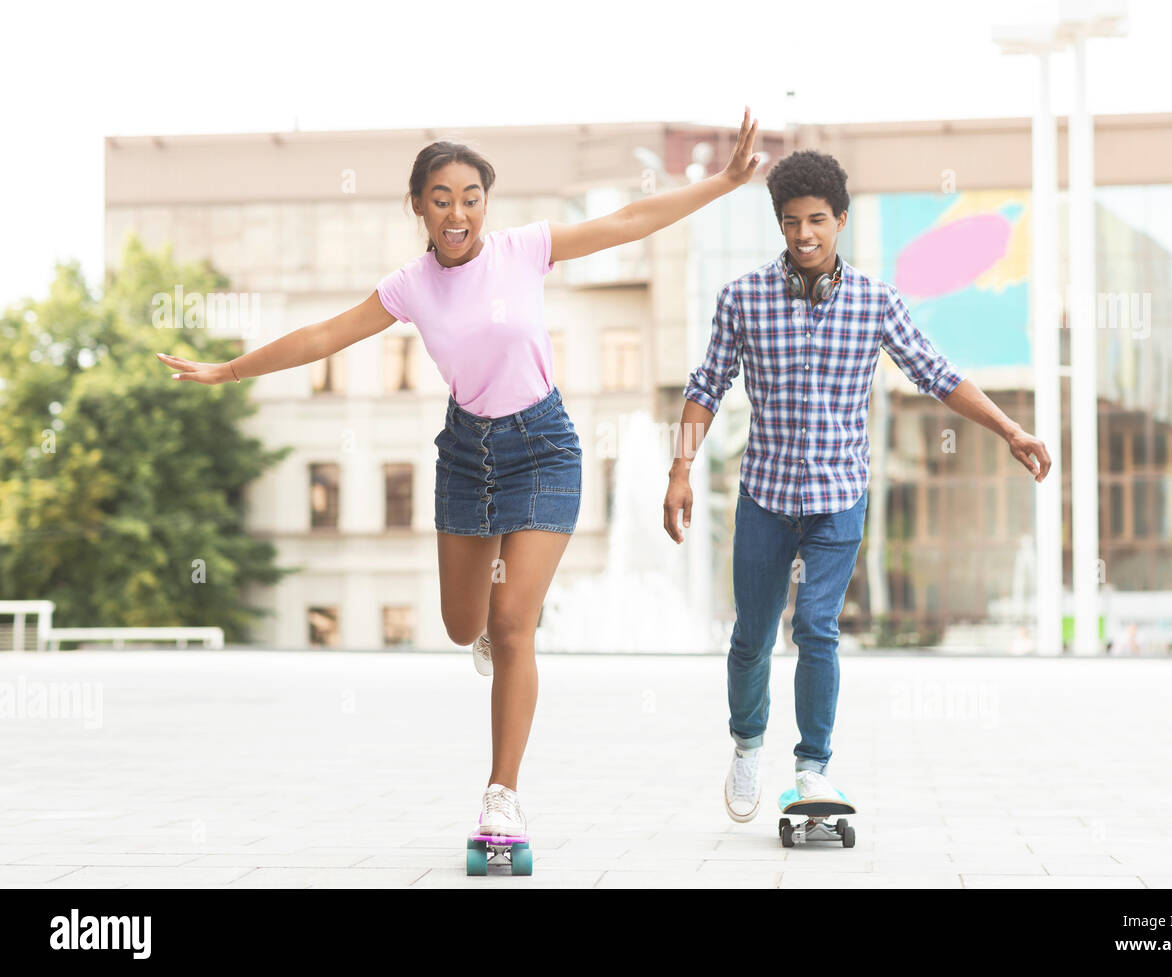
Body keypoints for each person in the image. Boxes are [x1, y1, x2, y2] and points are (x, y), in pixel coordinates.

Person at [157, 107, 762, 842]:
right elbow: (325, 333)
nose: (457, 211)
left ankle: (501, 792)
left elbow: (630, 220)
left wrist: (727, 182)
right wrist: (232, 367)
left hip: (544, 447)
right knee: (463, 624)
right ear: (418, 205)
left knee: (512, 626)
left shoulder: (524, 249)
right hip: (466, 457)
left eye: (471, 196)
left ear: (486, 204)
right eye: (441, 197)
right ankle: (485, 633)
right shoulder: (410, 286)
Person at [663, 149, 1051, 822]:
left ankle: (813, 769)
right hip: (764, 496)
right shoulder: (743, 299)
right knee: (752, 634)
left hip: (839, 497)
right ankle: (748, 744)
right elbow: (706, 388)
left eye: (817, 220)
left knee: (817, 626)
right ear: (779, 225)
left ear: (840, 220)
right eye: (790, 222)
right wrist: (679, 470)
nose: (804, 234)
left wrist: (1010, 428)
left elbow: (936, 372)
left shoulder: (875, 302)